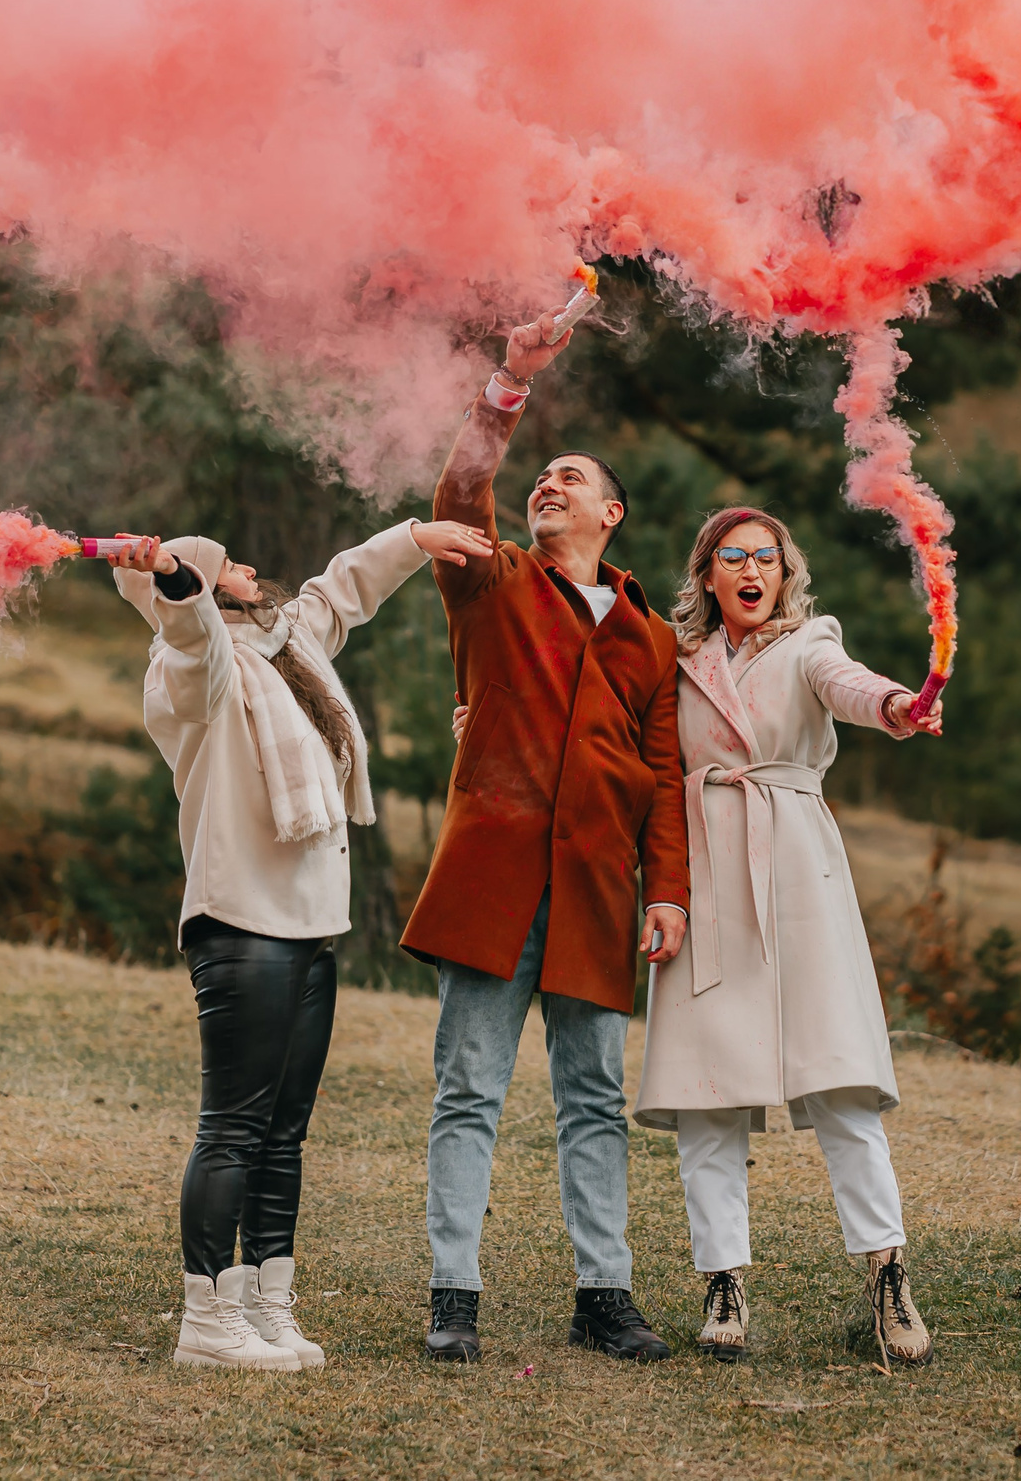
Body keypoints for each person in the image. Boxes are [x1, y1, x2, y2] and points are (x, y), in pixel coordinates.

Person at [106, 517, 491, 1371]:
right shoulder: (187, 671)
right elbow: (192, 637)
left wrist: (416, 537)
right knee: (234, 1129)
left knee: (285, 1133)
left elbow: (345, 583)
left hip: (314, 928)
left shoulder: (290, 644)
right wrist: (176, 578)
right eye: (227, 564)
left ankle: (268, 1308)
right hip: (242, 923)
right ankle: (207, 1321)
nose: (251, 564)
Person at [397, 300, 692, 1365]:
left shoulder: (653, 639)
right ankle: (453, 1297)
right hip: (491, 881)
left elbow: (664, 774)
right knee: (467, 1089)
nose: (547, 485)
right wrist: (508, 384)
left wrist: (666, 892)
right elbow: (460, 491)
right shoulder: (490, 579)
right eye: (542, 476)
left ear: (611, 515)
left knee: (593, 1102)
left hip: (597, 896)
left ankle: (603, 1297)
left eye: (572, 477)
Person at [633, 508, 943, 1366]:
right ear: (706, 574)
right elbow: (628, 743)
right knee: (709, 1090)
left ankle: (888, 1275)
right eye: (732, 556)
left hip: (799, 867)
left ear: (784, 571)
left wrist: (893, 704)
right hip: (704, 877)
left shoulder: (809, 643)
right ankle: (723, 1279)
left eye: (766, 556)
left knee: (839, 1077)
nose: (751, 568)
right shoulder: (676, 660)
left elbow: (848, 682)